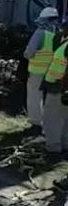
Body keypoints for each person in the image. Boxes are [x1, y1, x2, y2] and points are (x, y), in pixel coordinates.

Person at [24, 7, 60, 135]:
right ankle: (49, 124)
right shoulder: (59, 34)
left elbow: (29, 53)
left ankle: (36, 124)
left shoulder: (40, 33)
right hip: (53, 72)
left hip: (37, 72)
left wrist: (27, 54)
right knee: (49, 100)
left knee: (34, 97)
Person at [41, 18, 68, 155]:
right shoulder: (63, 42)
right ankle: (64, 145)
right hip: (59, 85)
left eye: (64, 27)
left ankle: (53, 147)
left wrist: (64, 89)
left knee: (51, 117)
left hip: (59, 86)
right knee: (64, 117)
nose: (62, 29)